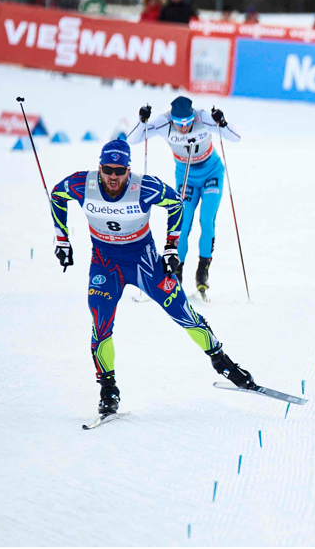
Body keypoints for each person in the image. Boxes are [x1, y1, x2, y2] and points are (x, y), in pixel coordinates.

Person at [50, 140, 255, 421]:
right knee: (100, 323)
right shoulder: (81, 184)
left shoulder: (144, 187)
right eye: (108, 169)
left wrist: (171, 246)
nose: (113, 176)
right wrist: (62, 238)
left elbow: (176, 205)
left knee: (183, 313)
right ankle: (108, 389)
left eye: (119, 170)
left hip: (143, 262)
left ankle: (224, 363)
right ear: (100, 167)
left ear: (128, 169)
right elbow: (56, 195)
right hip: (105, 264)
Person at [126, 96, 240, 298]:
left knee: (206, 220)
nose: (184, 127)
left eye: (187, 123)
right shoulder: (163, 122)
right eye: (179, 123)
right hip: (186, 176)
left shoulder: (203, 118)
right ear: (172, 119)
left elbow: (235, 137)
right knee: (183, 223)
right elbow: (133, 139)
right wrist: (141, 120)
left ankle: (202, 270)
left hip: (211, 172)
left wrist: (222, 122)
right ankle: (177, 272)